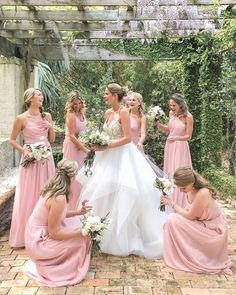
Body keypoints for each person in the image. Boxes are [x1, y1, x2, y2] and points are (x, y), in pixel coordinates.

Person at [76, 83, 166, 258]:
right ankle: (99, 232)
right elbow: (107, 134)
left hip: (123, 156)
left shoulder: (124, 112)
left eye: (106, 93)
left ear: (115, 96)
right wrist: (98, 144)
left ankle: (122, 236)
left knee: (124, 191)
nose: (104, 96)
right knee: (103, 191)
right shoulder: (108, 113)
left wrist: (105, 145)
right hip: (106, 158)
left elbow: (126, 138)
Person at [25, 159, 92, 287]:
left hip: (38, 233)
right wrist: (81, 233)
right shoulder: (59, 198)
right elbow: (54, 233)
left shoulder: (54, 188)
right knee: (82, 238)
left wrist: (79, 212)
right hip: (38, 242)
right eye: (76, 173)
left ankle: (64, 261)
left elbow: (57, 215)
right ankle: (62, 270)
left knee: (79, 223)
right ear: (71, 176)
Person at [161, 166, 232, 274]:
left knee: (172, 218)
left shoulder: (203, 193)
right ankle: (181, 253)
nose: (181, 190)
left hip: (213, 230)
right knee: (172, 220)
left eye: (183, 188)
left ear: (192, 182)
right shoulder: (190, 190)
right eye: (179, 188)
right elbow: (187, 210)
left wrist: (172, 204)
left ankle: (191, 257)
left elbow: (190, 216)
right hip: (200, 224)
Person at [9, 88, 55, 248]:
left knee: (47, 192)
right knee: (29, 194)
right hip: (30, 159)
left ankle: (46, 232)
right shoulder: (21, 118)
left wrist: (49, 126)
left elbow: (52, 138)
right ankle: (26, 235)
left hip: (46, 158)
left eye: (42, 94)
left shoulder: (46, 115)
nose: (41, 97)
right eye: (39, 95)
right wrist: (25, 151)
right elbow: (12, 140)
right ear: (30, 98)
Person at [154, 93, 193, 208]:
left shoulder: (188, 117)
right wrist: (158, 124)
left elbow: (188, 136)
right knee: (170, 172)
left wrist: (176, 138)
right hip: (170, 146)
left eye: (174, 105)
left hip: (181, 147)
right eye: (170, 105)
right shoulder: (171, 114)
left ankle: (181, 202)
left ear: (180, 105)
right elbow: (169, 129)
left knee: (179, 173)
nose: (171, 108)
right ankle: (169, 200)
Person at [63, 90, 89, 209]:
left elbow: (84, 131)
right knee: (74, 175)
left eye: (79, 103)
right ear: (71, 104)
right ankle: (71, 206)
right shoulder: (71, 115)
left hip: (82, 146)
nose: (77, 106)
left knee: (83, 174)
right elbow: (72, 136)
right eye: (75, 104)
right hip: (73, 147)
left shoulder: (83, 114)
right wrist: (84, 149)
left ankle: (81, 203)